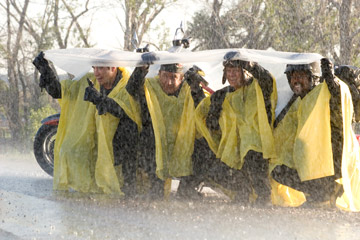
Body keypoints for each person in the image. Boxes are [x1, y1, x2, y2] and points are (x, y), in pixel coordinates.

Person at [32, 52, 139, 196]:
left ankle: (128, 191)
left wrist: (100, 100)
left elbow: (126, 111)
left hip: (122, 142)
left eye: (101, 68)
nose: (97, 73)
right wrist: (45, 70)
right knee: (68, 149)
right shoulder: (89, 80)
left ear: (113, 68)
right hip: (94, 138)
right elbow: (62, 92)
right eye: (94, 68)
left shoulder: (127, 84)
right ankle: (87, 189)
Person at [271, 58, 360, 210]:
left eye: (300, 76)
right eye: (292, 76)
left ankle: (326, 192)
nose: (296, 80)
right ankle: (320, 193)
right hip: (316, 161)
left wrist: (332, 83)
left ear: (313, 78)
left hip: (334, 162)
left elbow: (338, 100)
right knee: (278, 170)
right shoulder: (299, 101)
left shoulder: (323, 95)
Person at [195, 51, 277, 204]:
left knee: (253, 161)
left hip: (256, 146)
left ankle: (263, 198)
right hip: (233, 149)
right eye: (229, 71)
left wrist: (253, 66)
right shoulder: (221, 95)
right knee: (213, 170)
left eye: (236, 70)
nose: (232, 75)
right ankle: (242, 192)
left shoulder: (257, 87)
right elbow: (202, 115)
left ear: (244, 72)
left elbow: (267, 81)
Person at [122, 59, 207, 199]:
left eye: (174, 77)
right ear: (159, 74)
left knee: (204, 148)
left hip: (183, 142)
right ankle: (155, 185)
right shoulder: (150, 86)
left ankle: (188, 188)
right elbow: (131, 90)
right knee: (143, 139)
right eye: (165, 76)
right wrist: (141, 69)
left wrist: (197, 88)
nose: (169, 82)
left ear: (181, 78)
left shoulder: (189, 87)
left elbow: (204, 108)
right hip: (156, 142)